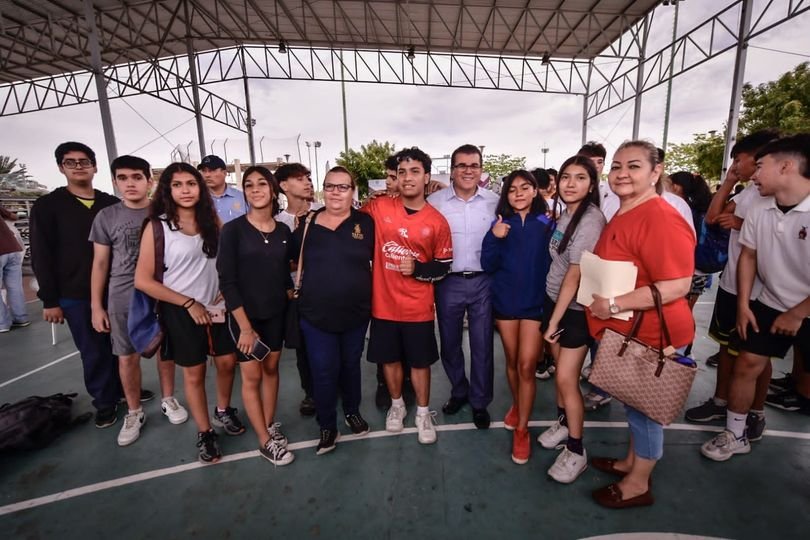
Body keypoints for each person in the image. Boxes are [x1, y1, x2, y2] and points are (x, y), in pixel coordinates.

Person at [586, 140, 695, 509]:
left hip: (653, 335)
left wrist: (613, 304)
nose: (621, 173)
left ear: (656, 171)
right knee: (635, 405)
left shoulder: (660, 217)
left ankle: (638, 483)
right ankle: (632, 462)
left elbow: (677, 284)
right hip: (628, 331)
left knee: (647, 411)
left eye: (633, 166)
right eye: (616, 166)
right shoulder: (624, 211)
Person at [701, 134, 810, 461]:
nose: (754, 174)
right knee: (747, 363)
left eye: (761, 166)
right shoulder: (760, 205)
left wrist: (798, 313)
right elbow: (748, 256)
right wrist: (746, 303)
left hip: (803, 309)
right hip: (770, 302)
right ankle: (735, 434)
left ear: (787, 166)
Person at [134, 162, 238, 463]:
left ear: (200, 188)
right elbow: (143, 280)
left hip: (217, 306)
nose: (186, 190)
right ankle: (205, 433)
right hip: (183, 310)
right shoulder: (158, 226)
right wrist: (188, 303)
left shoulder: (212, 221)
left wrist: (227, 286)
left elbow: (224, 260)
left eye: (191, 183)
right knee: (194, 373)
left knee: (228, 362)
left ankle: (223, 410)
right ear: (167, 189)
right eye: (177, 184)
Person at [683, 130, 779, 442]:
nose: (736, 164)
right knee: (726, 348)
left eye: (741, 159)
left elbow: (779, 241)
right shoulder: (749, 192)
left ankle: (756, 412)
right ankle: (720, 401)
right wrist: (727, 183)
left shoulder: (779, 197)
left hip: (761, 292)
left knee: (755, 358)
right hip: (732, 284)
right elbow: (712, 217)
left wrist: (741, 225)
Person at [90, 155, 189, 447]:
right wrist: (97, 305)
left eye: (136, 177)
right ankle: (134, 412)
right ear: (114, 182)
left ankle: (169, 399)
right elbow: (99, 264)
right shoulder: (106, 217)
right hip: (122, 295)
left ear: (149, 180)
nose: (129, 183)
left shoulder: (166, 212)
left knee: (165, 350)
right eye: (122, 178)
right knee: (126, 355)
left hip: (162, 290)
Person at [30, 142, 128, 428]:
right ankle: (105, 401)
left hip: (115, 289)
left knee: (119, 344)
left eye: (84, 161)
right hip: (74, 292)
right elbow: (41, 254)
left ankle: (123, 389)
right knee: (93, 349)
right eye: (70, 162)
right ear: (61, 168)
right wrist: (49, 300)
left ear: (95, 167)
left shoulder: (110, 204)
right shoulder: (48, 206)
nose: (78, 166)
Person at [362, 147, 453, 445]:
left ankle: (423, 412)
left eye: (414, 171)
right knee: (388, 359)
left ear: (426, 176)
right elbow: (350, 225)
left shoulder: (437, 221)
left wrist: (417, 269)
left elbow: (442, 267)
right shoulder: (378, 208)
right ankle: (397, 405)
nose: (407, 177)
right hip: (383, 304)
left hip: (418, 308)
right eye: (402, 172)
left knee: (419, 362)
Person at [217, 166, 295, 465]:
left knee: (272, 369)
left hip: (276, 313)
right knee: (251, 376)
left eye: (262, 183)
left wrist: (291, 293)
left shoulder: (284, 231)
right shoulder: (233, 230)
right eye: (249, 185)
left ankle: (269, 422)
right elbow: (227, 281)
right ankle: (264, 441)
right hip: (244, 318)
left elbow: (283, 274)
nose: (255, 189)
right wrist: (245, 328)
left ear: (273, 190)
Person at [294, 167, 375, 454]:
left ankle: (352, 411)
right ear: (322, 190)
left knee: (351, 366)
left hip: (355, 313)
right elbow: (287, 261)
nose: (336, 192)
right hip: (315, 314)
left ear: (353, 191)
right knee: (323, 371)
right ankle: (327, 425)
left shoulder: (366, 223)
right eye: (330, 186)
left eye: (343, 187)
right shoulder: (306, 224)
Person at [538, 156, 605, 483]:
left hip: (574, 311)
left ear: (591, 185)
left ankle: (577, 450)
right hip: (555, 303)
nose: (570, 183)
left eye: (580, 178)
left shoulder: (590, 220)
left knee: (566, 379)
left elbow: (575, 275)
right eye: (566, 177)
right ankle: (564, 424)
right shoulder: (567, 213)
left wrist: (554, 322)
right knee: (559, 374)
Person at [481, 170, 553, 464]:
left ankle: (522, 429)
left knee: (527, 365)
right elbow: (487, 263)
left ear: (536, 191)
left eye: (526, 188)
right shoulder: (499, 224)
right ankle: (517, 404)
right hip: (506, 303)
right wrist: (495, 238)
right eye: (513, 190)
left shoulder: (548, 224)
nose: (519, 193)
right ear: (506, 195)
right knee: (512, 362)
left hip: (536, 306)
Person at [428, 144, 499, 429]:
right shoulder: (436, 202)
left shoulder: (495, 201)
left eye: (474, 165)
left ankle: (480, 401)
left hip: (484, 281)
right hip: (448, 281)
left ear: (481, 170)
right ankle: (459, 391)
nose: (468, 170)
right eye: (462, 165)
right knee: (450, 343)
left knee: (483, 345)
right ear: (452, 170)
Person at [275, 162, 322, 417]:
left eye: (307, 177)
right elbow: (276, 261)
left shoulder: (323, 213)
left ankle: (333, 385)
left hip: (323, 289)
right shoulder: (276, 221)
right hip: (293, 294)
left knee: (329, 341)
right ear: (283, 186)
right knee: (302, 346)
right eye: (299, 178)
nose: (307, 182)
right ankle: (311, 393)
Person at [0, 205, 29, 333]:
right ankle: (21, 318)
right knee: (15, 286)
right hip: (12, 247)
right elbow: (13, 216)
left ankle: (2, 323)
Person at [199, 155, 245, 224]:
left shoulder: (242, 197)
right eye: (204, 171)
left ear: (224, 173)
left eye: (212, 170)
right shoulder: (198, 199)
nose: (207, 175)